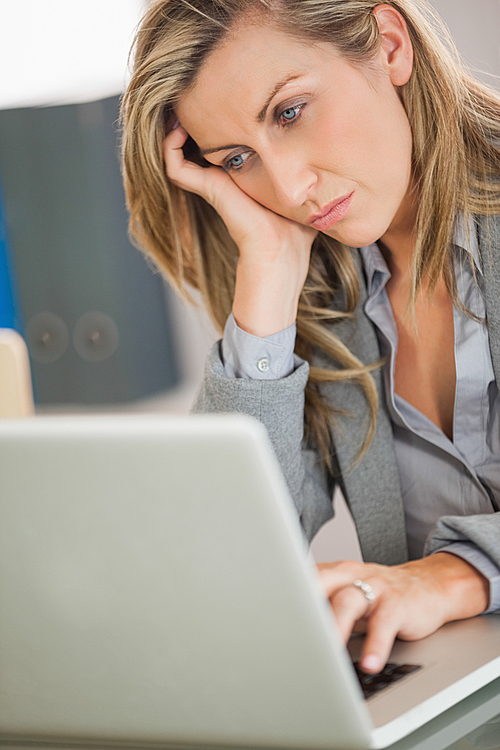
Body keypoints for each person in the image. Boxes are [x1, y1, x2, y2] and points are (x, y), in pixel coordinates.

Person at [120, 0, 500, 692]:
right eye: (238, 159)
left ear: (389, 46)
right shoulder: (327, 305)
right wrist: (267, 277)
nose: (289, 188)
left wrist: (461, 572)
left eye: (290, 112)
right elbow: (215, 559)